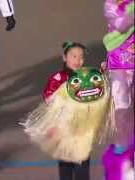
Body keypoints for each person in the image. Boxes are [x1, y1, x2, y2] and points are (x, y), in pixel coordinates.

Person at [22, 42, 111, 180]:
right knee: (65, 167)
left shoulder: (86, 76)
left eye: (81, 57)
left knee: (82, 166)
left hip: (82, 131)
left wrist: (103, 71)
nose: (78, 60)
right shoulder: (57, 79)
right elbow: (49, 100)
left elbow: (96, 87)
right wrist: (52, 125)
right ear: (65, 57)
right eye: (74, 56)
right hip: (63, 129)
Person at [102, 0, 134, 179]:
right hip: (119, 58)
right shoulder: (110, 5)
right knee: (122, 104)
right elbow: (121, 24)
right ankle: (122, 148)